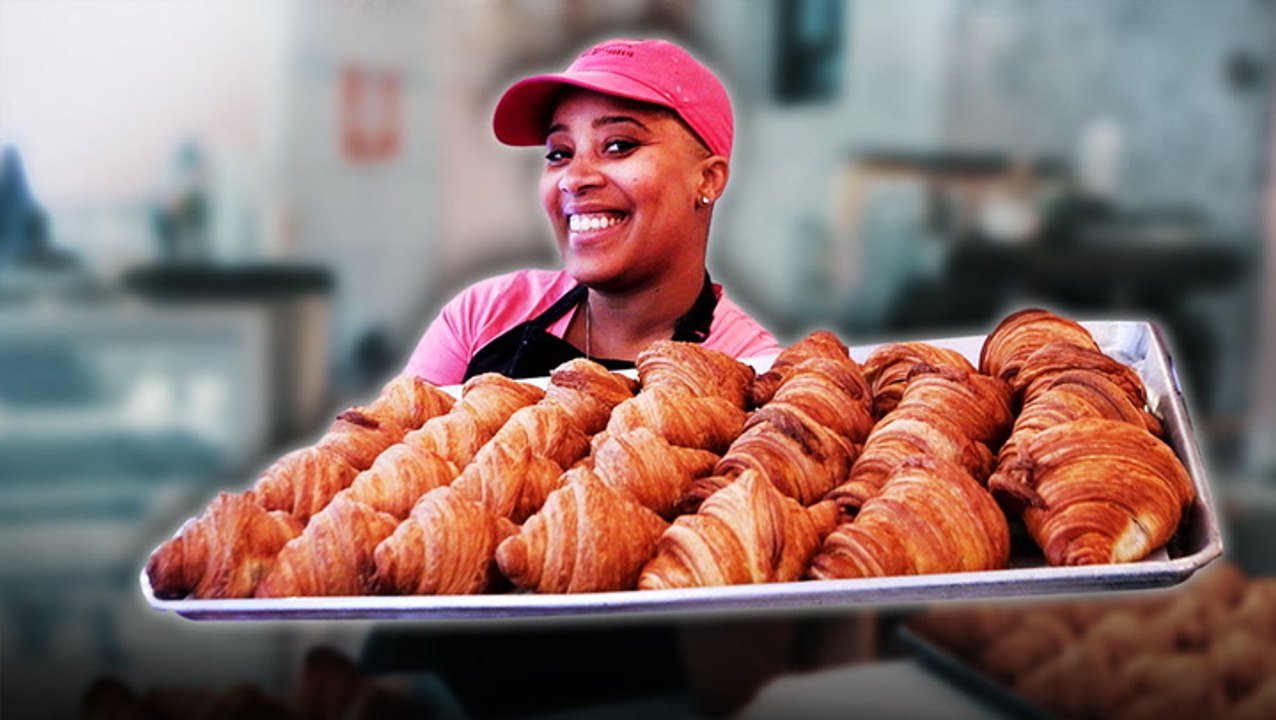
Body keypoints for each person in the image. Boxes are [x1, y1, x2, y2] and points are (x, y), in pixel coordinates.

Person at [403, 37, 781, 386]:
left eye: (618, 146)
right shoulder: (482, 317)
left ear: (708, 180)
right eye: (559, 154)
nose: (574, 179)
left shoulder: (753, 372)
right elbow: (390, 435)